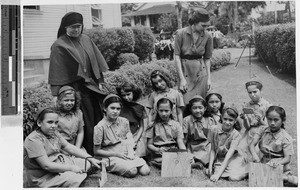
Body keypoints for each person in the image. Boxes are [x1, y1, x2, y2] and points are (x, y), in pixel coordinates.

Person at [48, 12, 109, 156]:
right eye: (72, 27)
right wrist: (55, 94)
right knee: (85, 118)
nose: (76, 29)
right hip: (74, 88)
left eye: (78, 26)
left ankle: (100, 146)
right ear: (65, 27)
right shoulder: (59, 45)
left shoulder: (86, 39)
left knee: (97, 114)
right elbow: (56, 70)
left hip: (91, 85)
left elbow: (95, 61)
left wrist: (99, 81)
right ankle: (88, 150)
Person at [23, 107, 102, 188]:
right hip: (43, 175)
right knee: (74, 178)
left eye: (56, 122)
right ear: (39, 123)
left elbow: (68, 146)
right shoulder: (33, 140)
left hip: (58, 162)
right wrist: (71, 168)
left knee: (86, 163)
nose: (54, 126)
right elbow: (46, 166)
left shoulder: (54, 133)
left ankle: (74, 174)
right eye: (50, 122)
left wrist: (90, 158)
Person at [93, 94, 150, 178]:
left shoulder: (124, 121)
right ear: (105, 108)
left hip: (124, 153)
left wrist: (131, 148)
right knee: (132, 171)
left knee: (145, 171)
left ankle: (126, 164)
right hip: (109, 155)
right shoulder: (100, 127)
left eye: (118, 109)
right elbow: (96, 151)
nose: (115, 111)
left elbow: (128, 138)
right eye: (112, 108)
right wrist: (116, 154)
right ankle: (108, 166)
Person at [249, 106, 297, 186]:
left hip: (278, 165)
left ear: (283, 120)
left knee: (279, 180)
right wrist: (254, 154)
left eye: (276, 120)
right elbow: (251, 144)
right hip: (264, 163)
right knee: (254, 177)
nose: (272, 123)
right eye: (269, 119)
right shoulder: (262, 130)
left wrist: (277, 162)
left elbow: (287, 159)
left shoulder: (285, 137)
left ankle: (287, 177)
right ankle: (274, 176)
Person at [174, 8, 213, 104]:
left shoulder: (208, 36)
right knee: (186, 102)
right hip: (185, 72)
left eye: (207, 26)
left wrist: (209, 78)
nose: (205, 28)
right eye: (203, 25)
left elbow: (207, 58)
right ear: (195, 22)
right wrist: (182, 79)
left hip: (200, 72)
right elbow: (177, 57)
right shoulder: (180, 34)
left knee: (201, 102)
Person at [205, 105, 245, 182]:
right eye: (225, 119)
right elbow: (213, 149)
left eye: (230, 120)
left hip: (233, 157)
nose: (227, 122)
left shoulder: (236, 135)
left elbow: (228, 156)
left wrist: (217, 175)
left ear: (235, 121)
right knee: (215, 172)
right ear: (221, 118)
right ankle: (216, 169)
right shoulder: (213, 129)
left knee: (233, 177)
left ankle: (247, 170)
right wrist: (210, 167)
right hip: (220, 158)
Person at [146, 97, 186, 168]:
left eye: (166, 111)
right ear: (157, 110)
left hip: (173, 151)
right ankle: (159, 163)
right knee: (165, 161)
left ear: (171, 110)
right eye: (161, 111)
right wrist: (157, 149)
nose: (163, 114)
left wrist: (184, 153)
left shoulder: (176, 125)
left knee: (184, 159)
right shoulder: (152, 125)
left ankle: (171, 162)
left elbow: (180, 142)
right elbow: (149, 145)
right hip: (159, 153)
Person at [116, 82, 147, 158]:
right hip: (120, 135)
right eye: (123, 95)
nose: (126, 97)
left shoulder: (139, 108)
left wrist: (136, 139)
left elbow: (142, 127)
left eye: (128, 94)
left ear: (133, 93)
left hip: (134, 134)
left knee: (138, 152)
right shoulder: (119, 106)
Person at [183, 95, 214, 169]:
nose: (197, 110)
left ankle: (202, 162)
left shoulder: (210, 120)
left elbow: (213, 137)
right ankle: (196, 163)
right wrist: (183, 151)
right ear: (190, 109)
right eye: (194, 108)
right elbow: (185, 139)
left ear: (205, 108)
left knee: (211, 153)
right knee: (189, 157)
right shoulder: (186, 120)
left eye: (200, 108)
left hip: (206, 145)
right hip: (192, 146)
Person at [56, 86, 85, 154]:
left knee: (86, 162)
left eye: (72, 100)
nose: (69, 103)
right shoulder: (55, 115)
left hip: (75, 147)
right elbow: (54, 137)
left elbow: (80, 132)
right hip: (61, 148)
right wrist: (66, 152)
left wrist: (77, 149)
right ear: (59, 101)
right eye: (66, 100)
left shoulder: (78, 113)